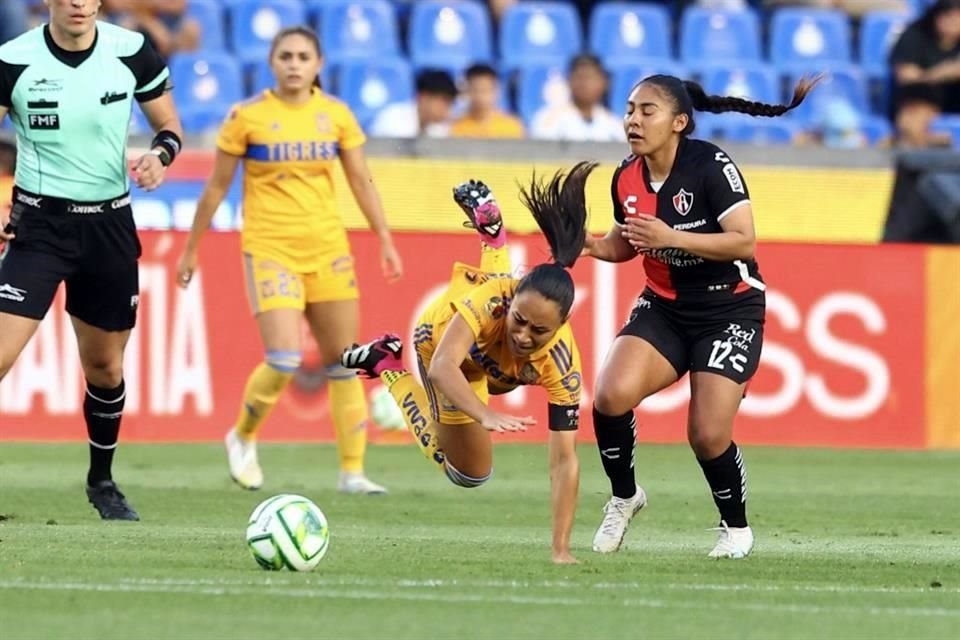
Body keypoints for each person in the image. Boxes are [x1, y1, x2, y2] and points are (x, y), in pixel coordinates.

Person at [583, 74, 819, 558]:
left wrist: (673, 237)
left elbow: (743, 241)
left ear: (679, 122)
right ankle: (625, 498)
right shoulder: (625, 176)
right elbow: (621, 244)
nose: (633, 119)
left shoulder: (711, 165)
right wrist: (579, 244)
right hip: (664, 306)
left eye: (647, 110)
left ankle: (735, 528)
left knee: (707, 433)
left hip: (729, 307)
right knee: (609, 395)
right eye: (629, 109)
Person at [176, 26, 403, 495]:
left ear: (319, 63)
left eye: (303, 56)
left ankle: (352, 473)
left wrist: (384, 238)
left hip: (328, 249)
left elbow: (362, 180)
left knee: (345, 362)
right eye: (286, 56)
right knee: (283, 358)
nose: (294, 64)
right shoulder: (247, 117)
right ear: (271, 63)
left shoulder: (336, 116)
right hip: (270, 249)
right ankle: (242, 436)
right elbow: (216, 187)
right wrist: (192, 248)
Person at [340, 168, 592, 564]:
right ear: (514, 298)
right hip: (442, 342)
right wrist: (483, 414)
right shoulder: (497, 300)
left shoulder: (562, 366)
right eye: (520, 320)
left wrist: (561, 549)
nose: (524, 335)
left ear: (561, 327)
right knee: (468, 475)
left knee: (499, 328)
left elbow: (564, 461)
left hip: (488, 361)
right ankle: (387, 363)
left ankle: (493, 236)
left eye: (538, 330)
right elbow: (442, 367)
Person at [0, 0, 183, 520]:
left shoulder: (132, 52)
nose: (78, 3)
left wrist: (160, 156)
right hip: (38, 228)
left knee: (104, 368)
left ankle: (102, 482)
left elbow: (169, 125)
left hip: (108, 228)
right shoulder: (13, 59)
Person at [890, 0, 960, 147]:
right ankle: (927, 148)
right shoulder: (916, 34)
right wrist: (940, 74)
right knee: (913, 116)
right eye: (947, 16)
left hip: (955, 95)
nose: (952, 21)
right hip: (924, 95)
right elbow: (906, 75)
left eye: (957, 17)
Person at [530, 54, 623, 142]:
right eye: (579, 77)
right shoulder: (548, 119)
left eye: (591, 78)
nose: (584, 84)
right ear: (569, 81)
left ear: (604, 83)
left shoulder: (614, 124)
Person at [369, 68, 457, 138]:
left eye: (450, 103)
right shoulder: (393, 118)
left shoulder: (440, 129)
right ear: (424, 98)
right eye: (444, 101)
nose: (447, 109)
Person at [450, 63, 525, 139]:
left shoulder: (512, 126)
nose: (480, 96)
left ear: (497, 91)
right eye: (475, 90)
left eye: (485, 90)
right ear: (466, 91)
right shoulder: (455, 127)